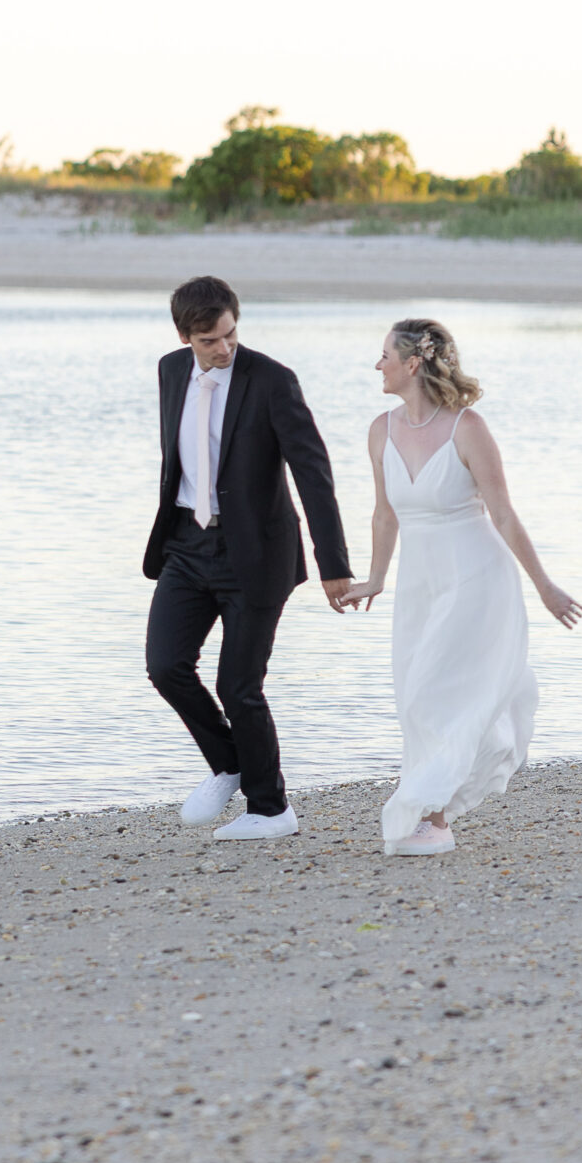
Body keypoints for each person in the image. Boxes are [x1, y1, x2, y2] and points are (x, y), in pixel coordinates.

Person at [341, 317, 582, 855]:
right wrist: (376, 578)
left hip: (476, 578)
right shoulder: (380, 430)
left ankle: (434, 818)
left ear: (412, 363)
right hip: (419, 586)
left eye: (385, 356)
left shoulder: (467, 428)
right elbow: (384, 514)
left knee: (436, 692)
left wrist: (544, 586)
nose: (377, 365)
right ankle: (436, 809)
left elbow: (504, 514)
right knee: (414, 698)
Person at [144, 275, 352, 841]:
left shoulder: (273, 380)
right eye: (209, 340)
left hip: (257, 553)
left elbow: (313, 472)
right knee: (165, 667)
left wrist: (333, 563)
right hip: (187, 544)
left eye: (230, 334)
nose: (224, 348)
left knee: (238, 685)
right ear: (185, 337)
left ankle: (270, 808)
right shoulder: (170, 370)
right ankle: (231, 763)